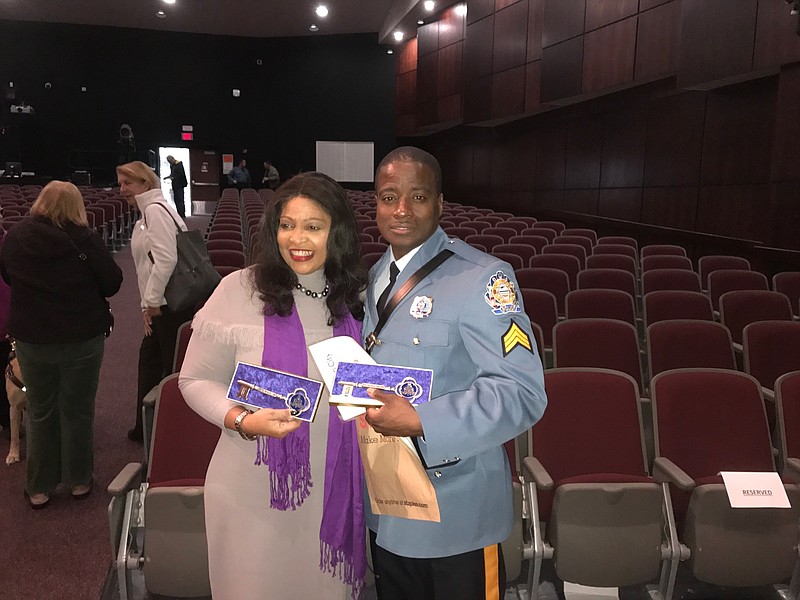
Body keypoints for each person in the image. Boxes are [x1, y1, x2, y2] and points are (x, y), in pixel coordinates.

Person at [362, 147, 547, 599]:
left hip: (455, 512)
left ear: (440, 204)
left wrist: (424, 420)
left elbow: (522, 392)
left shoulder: (483, 278)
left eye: (418, 196)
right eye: (389, 197)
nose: (401, 210)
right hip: (388, 507)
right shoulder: (376, 276)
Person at [179, 172, 370, 599]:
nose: (297, 239)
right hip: (250, 484)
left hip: (333, 487)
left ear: (337, 232)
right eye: (287, 225)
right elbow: (193, 380)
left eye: (313, 227)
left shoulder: (358, 298)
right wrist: (243, 419)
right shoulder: (239, 290)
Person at [0, 181, 122, 508]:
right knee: (77, 410)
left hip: (32, 339)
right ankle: (80, 481)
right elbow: (112, 283)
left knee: (40, 411)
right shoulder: (85, 238)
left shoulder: (15, 237)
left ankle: (39, 487)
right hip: (82, 338)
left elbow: (9, 276)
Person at [117, 161, 193, 443]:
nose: (122, 189)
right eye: (121, 183)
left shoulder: (154, 211)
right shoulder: (149, 211)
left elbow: (166, 259)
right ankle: (146, 426)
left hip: (168, 303)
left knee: (167, 367)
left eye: (129, 183)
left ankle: (167, 431)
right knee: (151, 361)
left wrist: (150, 303)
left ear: (146, 184)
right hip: (162, 301)